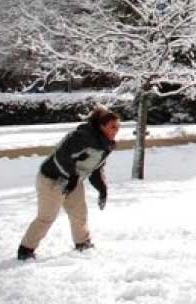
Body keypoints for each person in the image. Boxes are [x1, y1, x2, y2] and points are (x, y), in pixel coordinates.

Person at [17, 104, 120, 260]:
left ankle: (83, 243)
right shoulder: (83, 137)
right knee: (46, 217)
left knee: (79, 213)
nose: (116, 130)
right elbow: (61, 157)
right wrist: (71, 178)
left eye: (118, 127)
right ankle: (26, 250)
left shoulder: (105, 145)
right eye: (112, 127)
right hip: (52, 179)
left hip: (73, 179)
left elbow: (96, 169)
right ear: (101, 126)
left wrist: (102, 190)